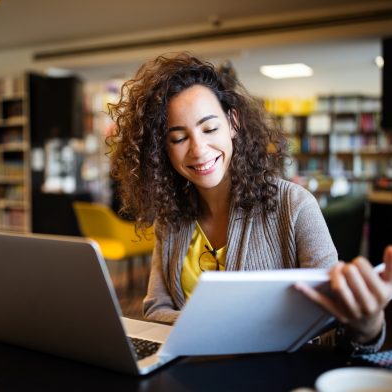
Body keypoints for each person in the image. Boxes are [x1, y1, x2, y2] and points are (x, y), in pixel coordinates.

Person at [107, 52, 392, 354]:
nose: (199, 150)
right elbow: (154, 310)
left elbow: (333, 325)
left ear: (233, 122)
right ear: (161, 149)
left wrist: (367, 325)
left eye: (209, 128)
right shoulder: (171, 217)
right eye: (178, 138)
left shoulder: (294, 205)